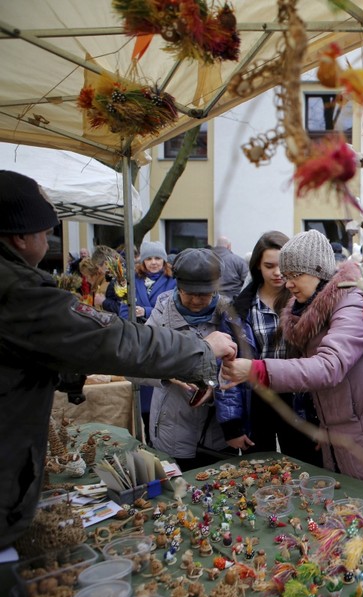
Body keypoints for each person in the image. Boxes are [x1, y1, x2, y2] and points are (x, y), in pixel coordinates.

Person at [0, 170, 237, 549]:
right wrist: (200, 353)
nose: (48, 240)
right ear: (19, 237)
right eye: (46, 232)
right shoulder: (17, 292)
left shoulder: (15, 287)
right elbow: (118, 342)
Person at [221, 230, 363, 496]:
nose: (288, 284)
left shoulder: (353, 306)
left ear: (319, 272)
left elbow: (328, 367)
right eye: (286, 275)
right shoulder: (311, 308)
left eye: (295, 275)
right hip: (343, 430)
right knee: (353, 505)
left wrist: (256, 369)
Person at [134, 249, 242, 471]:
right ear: (178, 286)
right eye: (188, 293)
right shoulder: (161, 315)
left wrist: (215, 387)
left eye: (204, 295)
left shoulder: (230, 314)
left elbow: (244, 370)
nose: (195, 300)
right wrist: (170, 373)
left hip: (217, 434)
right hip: (171, 432)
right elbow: (133, 367)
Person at [226, 231, 322, 466]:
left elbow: (322, 361)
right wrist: (232, 425)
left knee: (304, 467)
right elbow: (228, 366)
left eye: (283, 266)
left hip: (298, 394)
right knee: (260, 469)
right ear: (257, 266)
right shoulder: (242, 306)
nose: (277, 272)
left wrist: (323, 421)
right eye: (269, 266)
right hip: (258, 396)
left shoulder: (304, 300)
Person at [125, 240, 178, 444]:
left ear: (164, 260)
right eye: (149, 258)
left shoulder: (172, 281)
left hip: (161, 341)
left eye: (157, 258)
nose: (154, 262)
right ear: (143, 261)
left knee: (162, 394)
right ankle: (149, 437)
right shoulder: (133, 280)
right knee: (145, 395)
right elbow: (124, 307)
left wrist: (145, 311)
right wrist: (132, 313)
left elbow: (173, 309)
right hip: (138, 339)